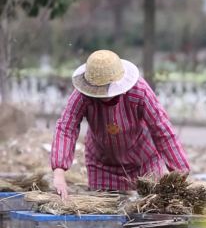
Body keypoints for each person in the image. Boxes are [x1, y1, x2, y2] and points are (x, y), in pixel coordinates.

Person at [51, 50, 190, 199]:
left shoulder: (139, 91)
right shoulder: (82, 95)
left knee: (150, 209)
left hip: (143, 160)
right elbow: (66, 128)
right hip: (102, 162)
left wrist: (180, 172)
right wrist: (59, 173)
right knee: (106, 212)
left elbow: (161, 129)